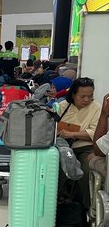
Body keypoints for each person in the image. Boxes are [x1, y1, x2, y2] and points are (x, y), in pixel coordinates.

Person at [57, 77, 101, 210]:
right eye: (83, 96)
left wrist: (72, 134)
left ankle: (87, 208)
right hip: (63, 146)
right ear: (73, 95)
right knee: (54, 167)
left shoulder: (97, 108)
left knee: (87, 170)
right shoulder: (63, 106)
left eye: (90, 96)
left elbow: (96, 133)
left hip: (85, 148)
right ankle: (53, 203)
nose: (87, 100)